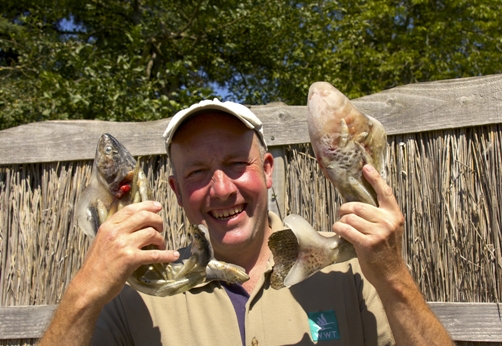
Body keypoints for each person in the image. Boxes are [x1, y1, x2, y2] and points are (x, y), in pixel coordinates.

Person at [40, 99, 453, 346]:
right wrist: (85, 291)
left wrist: (395, 277)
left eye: (237, 164)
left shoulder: (354, 275)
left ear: (268, 170)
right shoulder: (133, 300)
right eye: (197, 172)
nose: (220, 188)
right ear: (177, 190)